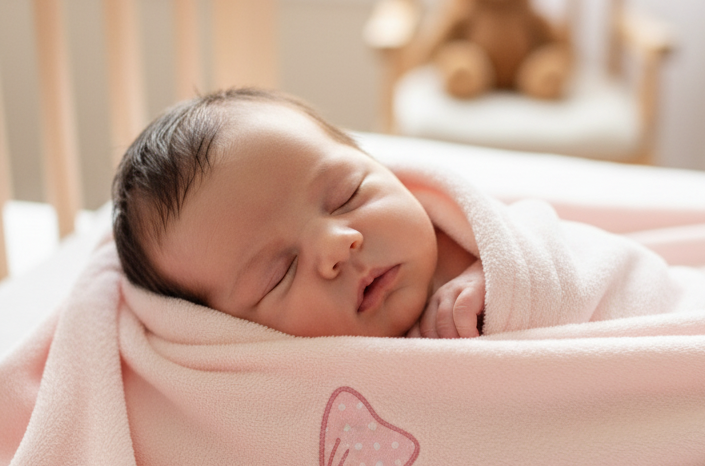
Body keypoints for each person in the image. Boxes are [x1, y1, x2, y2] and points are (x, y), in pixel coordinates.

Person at [112, 87, 486, 339]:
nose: (338, 244)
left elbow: (540, 245)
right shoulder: (283, 390)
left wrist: (493, 279)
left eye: (347, 196)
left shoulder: (472, 245)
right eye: (280, 274)